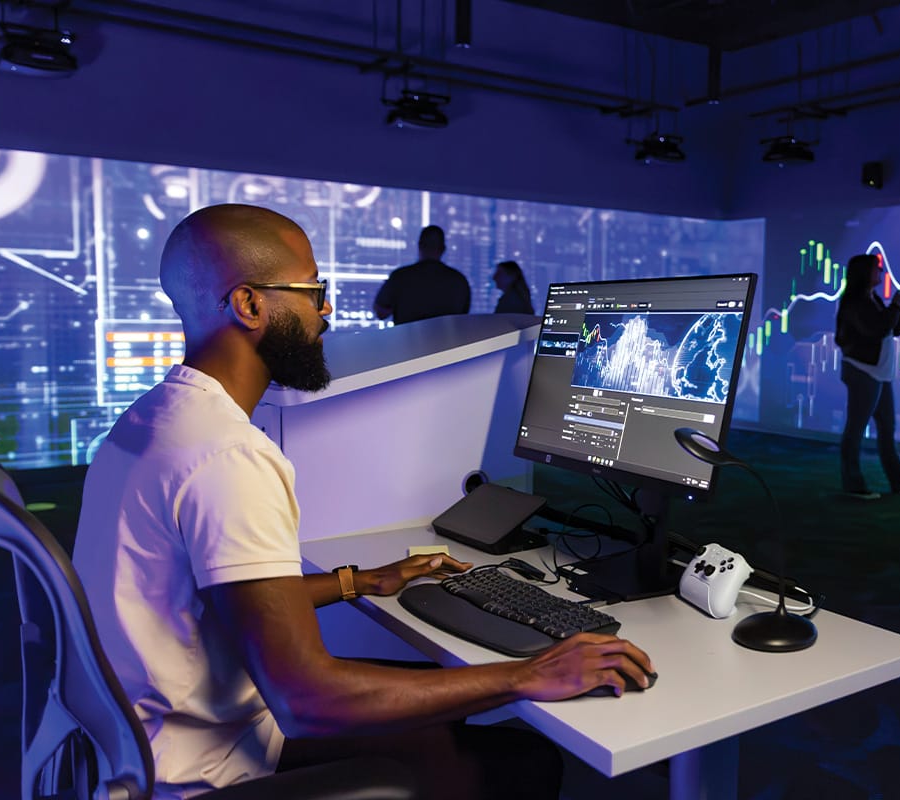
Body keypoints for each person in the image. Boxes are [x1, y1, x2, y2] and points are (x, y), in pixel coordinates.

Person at [72, 204, 654, 800]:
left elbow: (222, 598)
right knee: (522, 760)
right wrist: (530, 674)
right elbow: (307, 702)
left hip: (148, 743)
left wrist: (359, 580)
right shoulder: (228, 457)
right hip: (207, 767)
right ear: (249, 305)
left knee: (445, 700)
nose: (326, 311)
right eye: (313, 291)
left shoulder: (155, 421)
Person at [833, 253, 900, 499]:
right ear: (865, 273)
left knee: (886, 427)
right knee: (856, 429)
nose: (881, 274)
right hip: (863, 371)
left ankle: (899, 479)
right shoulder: (855, 302)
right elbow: (877, 329)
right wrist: (895, 307)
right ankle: (853, 485)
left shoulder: (870, 298)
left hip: (878, 373)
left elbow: (892, 329)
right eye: (876, 269)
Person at [373, 224, 471, 324]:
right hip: (449, 340)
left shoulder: (400, 277)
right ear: (443, 249)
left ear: (420, 245)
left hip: (407, 339)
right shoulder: (459, 281)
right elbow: (462, 320)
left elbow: (381, 314)